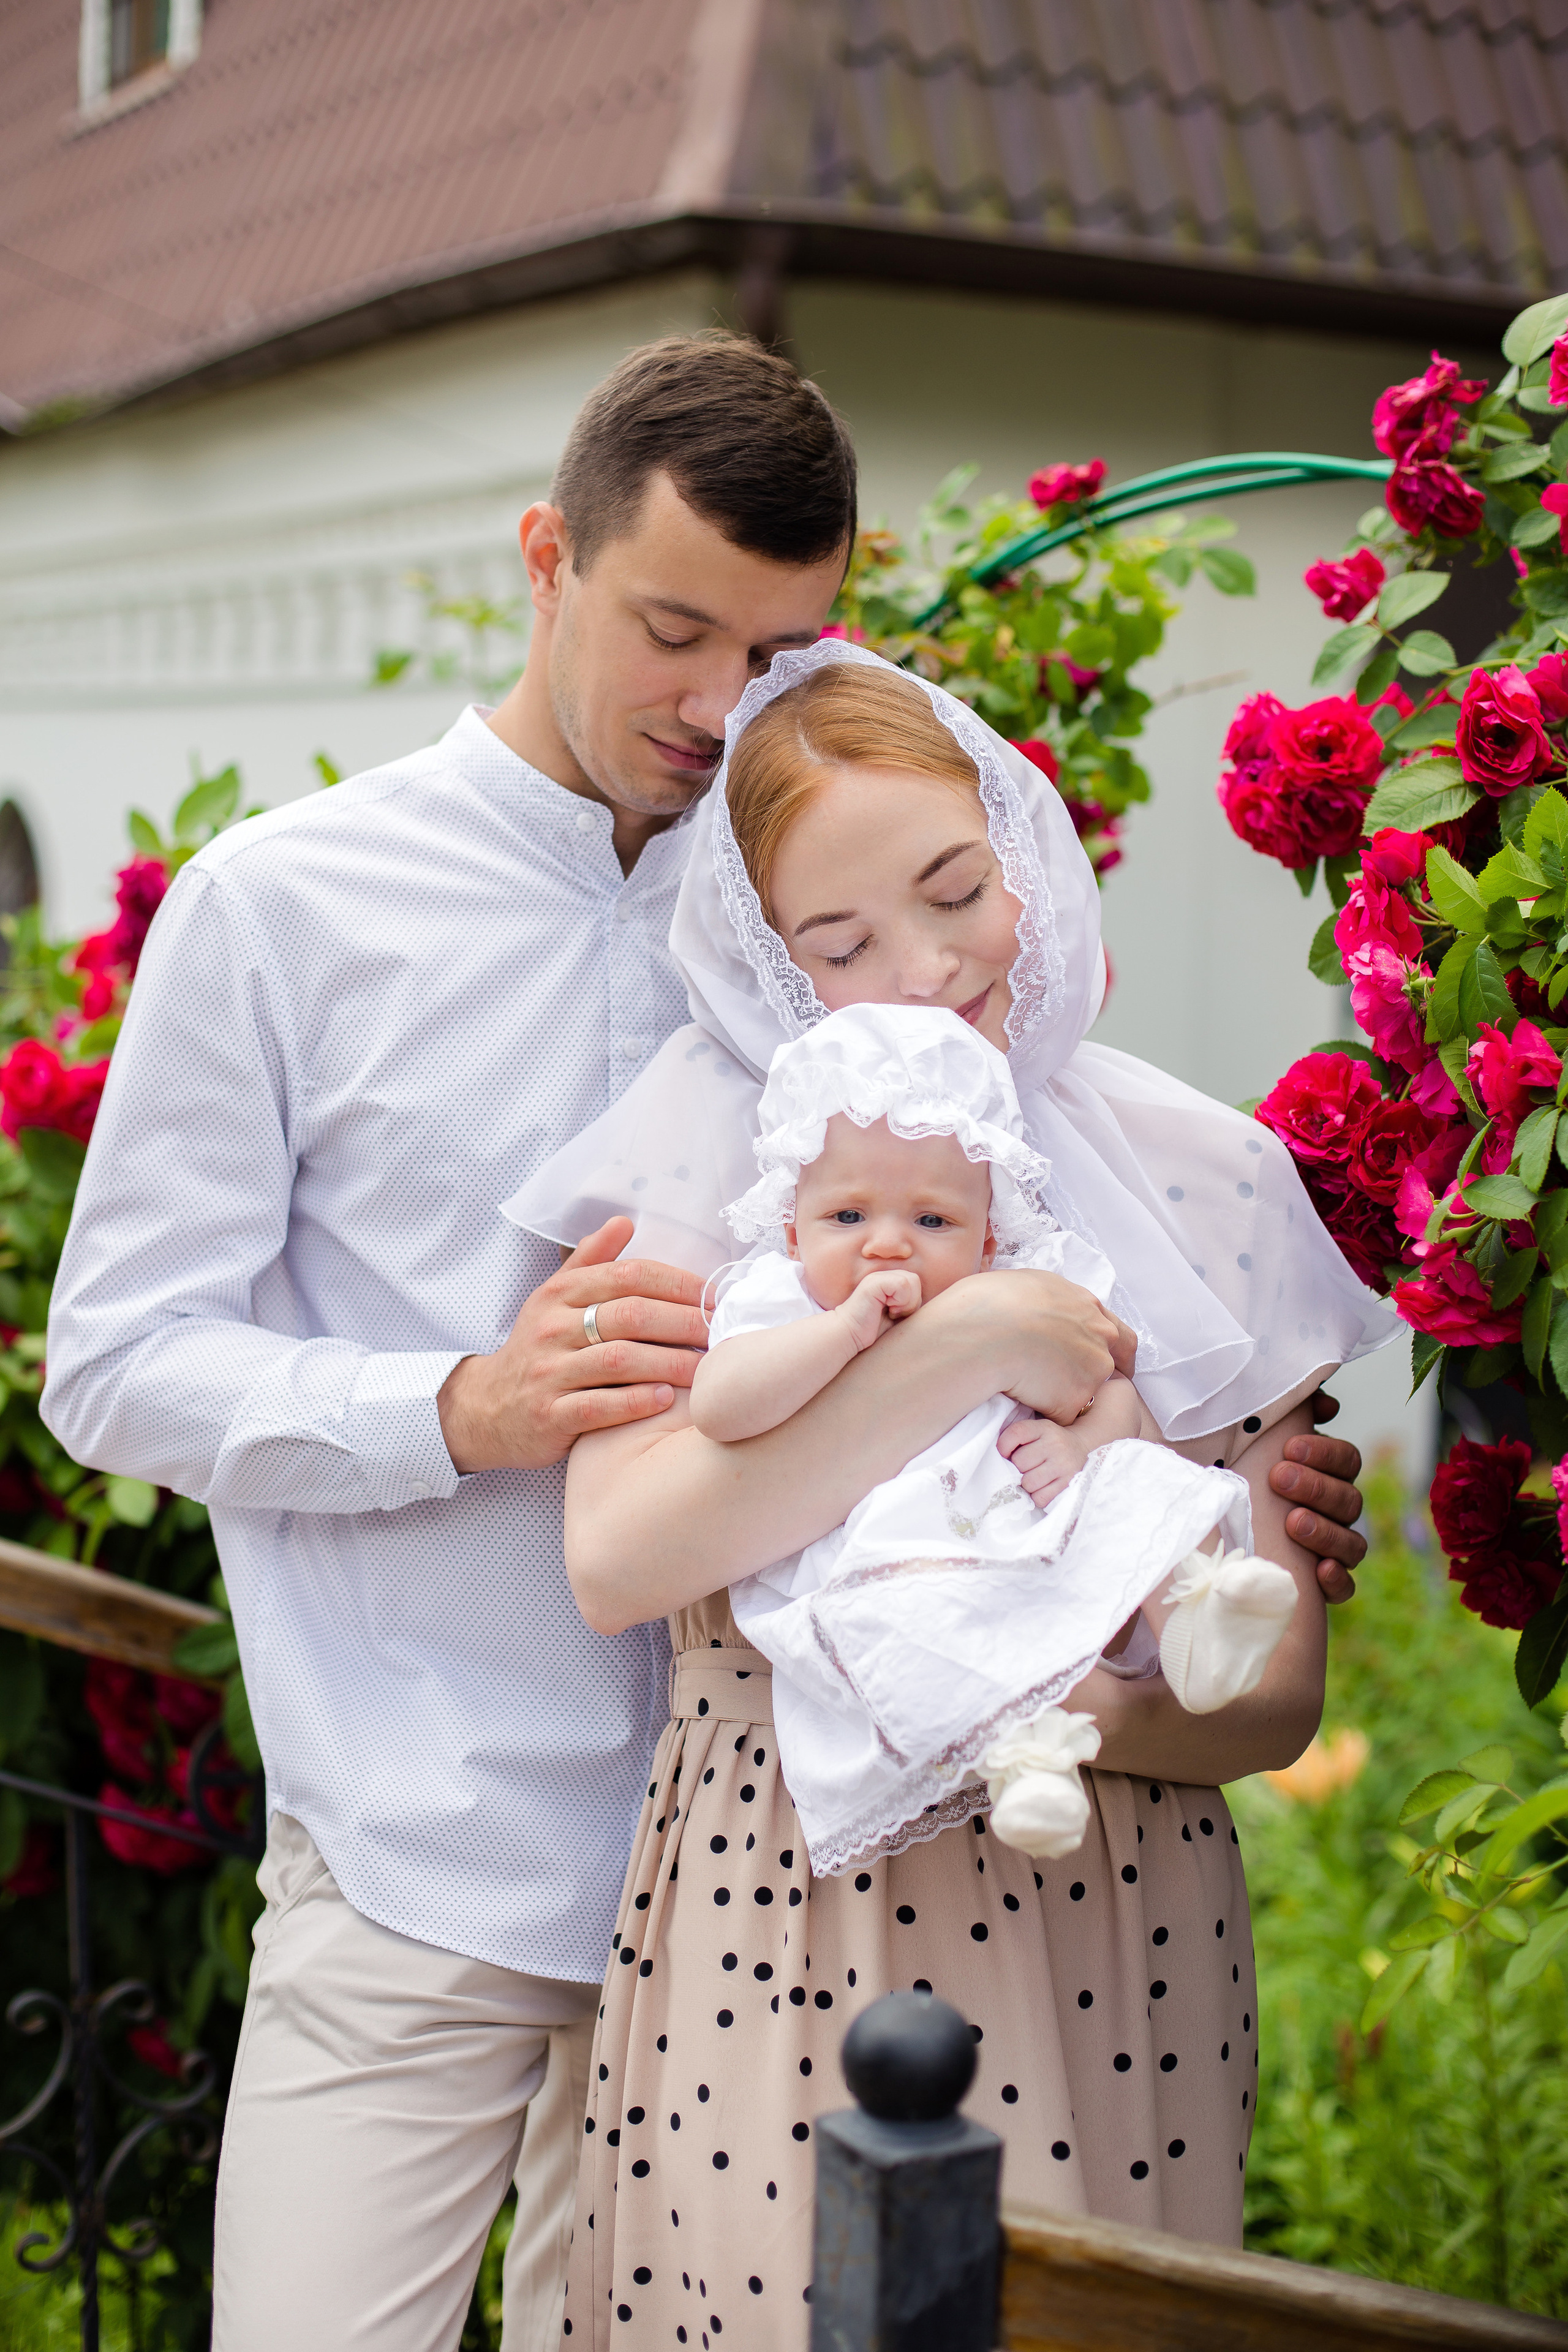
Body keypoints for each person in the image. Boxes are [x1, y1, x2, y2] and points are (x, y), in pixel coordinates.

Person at [41, 334, 1366, 2347]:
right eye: (672, 626)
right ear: (544, 560)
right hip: (437, 1843)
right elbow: (114, 1361)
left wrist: (1206, 1493)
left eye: (778, 649)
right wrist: (459, 1404)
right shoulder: (284, 905)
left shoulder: (839, 910)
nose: (714, 699)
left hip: (784, 1880)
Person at [500, 647, 1398, 2348]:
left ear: (1025, 851)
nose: (924, 973)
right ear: (767, 957)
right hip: (791, 1888)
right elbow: (622, 1557)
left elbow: (1264, 1694)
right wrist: (976, 1334)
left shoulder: (1204, 1170)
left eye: (957, 891)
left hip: (1111, 1900)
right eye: (837, 950)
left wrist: (981, 1689)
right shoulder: (713, 1154)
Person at [693, 1000, 1298, 1877]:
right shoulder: (783, 1302)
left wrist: (1093, 1440)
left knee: (1141, 1477)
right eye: (847, 1218)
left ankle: (1199, 1617)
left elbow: (1111, 1385)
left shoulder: (1028, 1294)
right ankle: (1028, 1764)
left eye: (933, 1222)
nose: (887, 1244)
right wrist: (844, 1332)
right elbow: (723, 1406)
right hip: (894, 1550)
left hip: (1028, 1515)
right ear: (793, 1226)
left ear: (988, 1237)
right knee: (922, 1633)